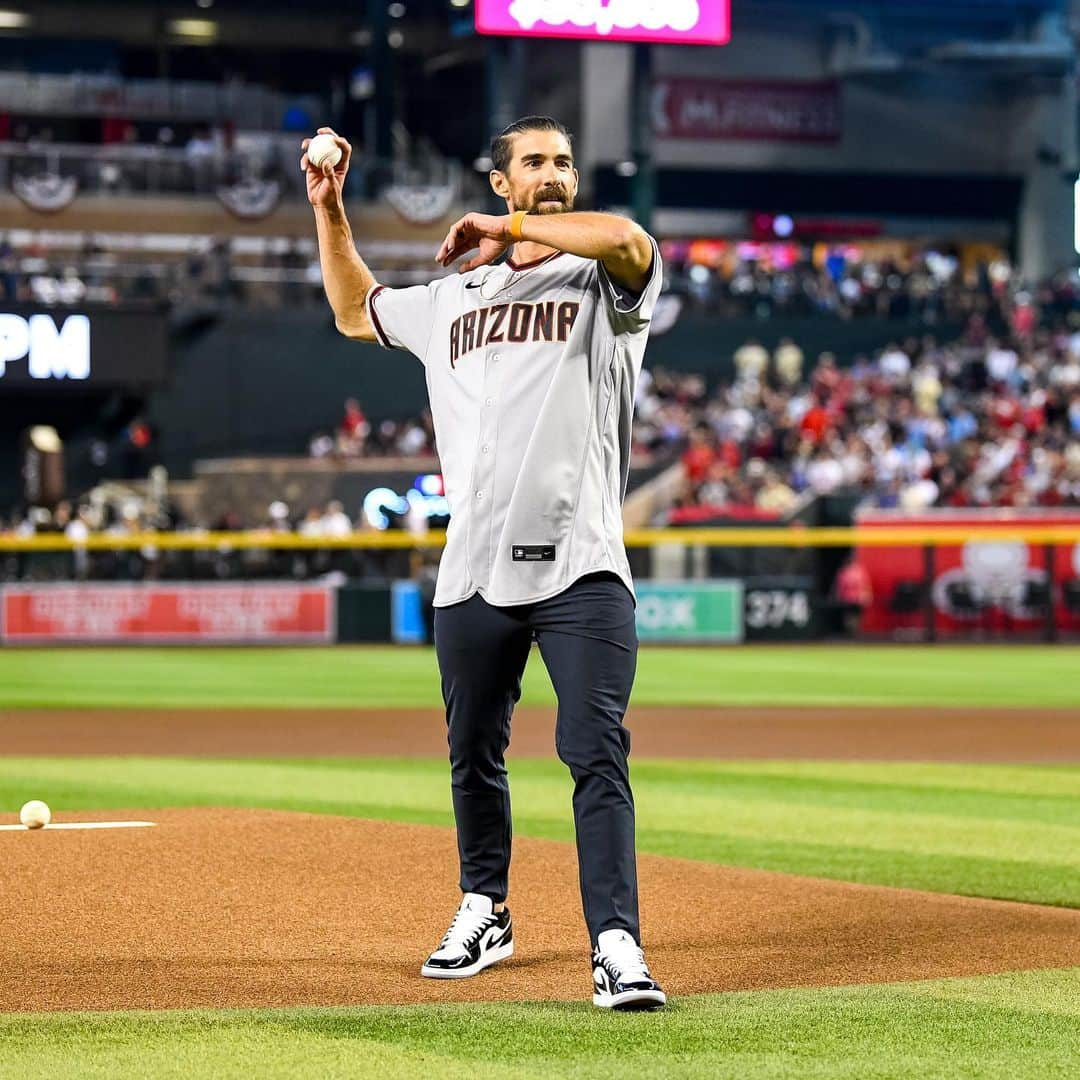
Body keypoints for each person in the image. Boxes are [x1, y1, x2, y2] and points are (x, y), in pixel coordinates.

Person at [304, 115, 666, 1010]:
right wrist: (330, 207)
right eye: (535, 164)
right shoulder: (453, 298)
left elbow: (628, 237)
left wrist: (507, 231)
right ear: (500, 180)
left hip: (581, 564)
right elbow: (355, 309)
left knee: (594, 753)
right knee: (473, 753)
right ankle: (485, 908)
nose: (556, 174)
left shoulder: (600, 281)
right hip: (471, 569)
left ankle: (616, 944)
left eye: (565, 162)